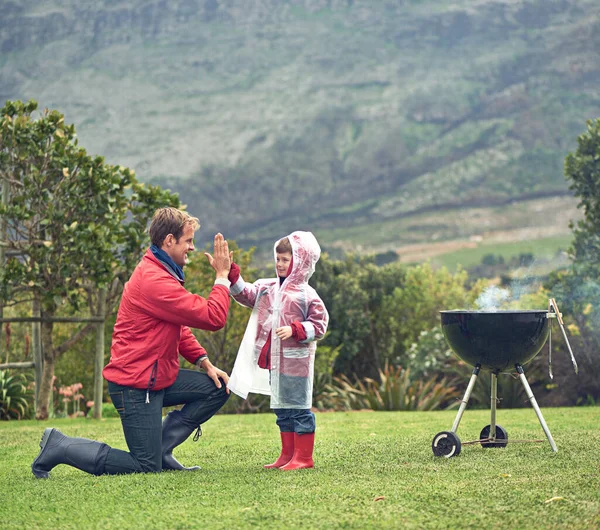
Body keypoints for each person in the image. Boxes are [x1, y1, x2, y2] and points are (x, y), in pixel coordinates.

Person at [32, 207, 232, 478]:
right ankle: (60, 445)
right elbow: (213, 316)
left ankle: (161, 450)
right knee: (145, 466)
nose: (193, 248)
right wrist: (222, 277)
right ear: (169, 241)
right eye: (188, 241)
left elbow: (178, 327)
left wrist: (204, 362)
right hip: (135, 386)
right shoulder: (154, 281)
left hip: (156, 378)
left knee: (217, 388)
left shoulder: (163, 271)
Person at [227, 231, 328, 470]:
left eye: (286, 260)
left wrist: (296, 330)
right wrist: (233, 276)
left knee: (299, 410)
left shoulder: (306, 295)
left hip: (296, 364)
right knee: (282, 409)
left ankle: (304, 458)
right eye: (278, 259)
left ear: (301, 262)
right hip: (275, 363)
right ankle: (287, 455)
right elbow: (247, 295)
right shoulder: (268, 288)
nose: (280, 264)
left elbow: (320, 324)